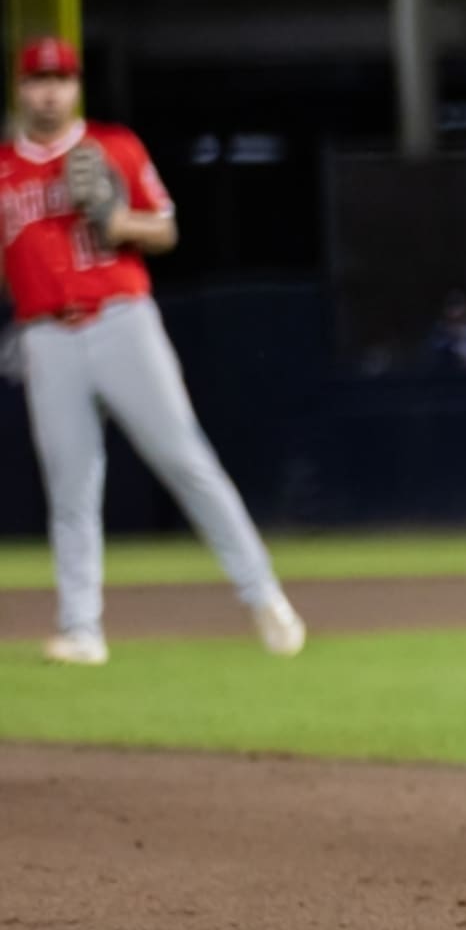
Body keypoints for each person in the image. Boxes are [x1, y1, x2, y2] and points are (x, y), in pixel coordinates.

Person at [1, 36, 304, 665]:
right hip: (48, 334)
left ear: (77, 86)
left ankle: (264, 595)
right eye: (37, 81)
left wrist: (117, 223)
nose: (49, 92)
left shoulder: (114, 146)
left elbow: (164, 228)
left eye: (60, 79)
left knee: (184, 458)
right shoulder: (4, 169)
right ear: (20, 88)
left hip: (121, 321)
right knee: (70, 486)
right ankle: (82, 630)